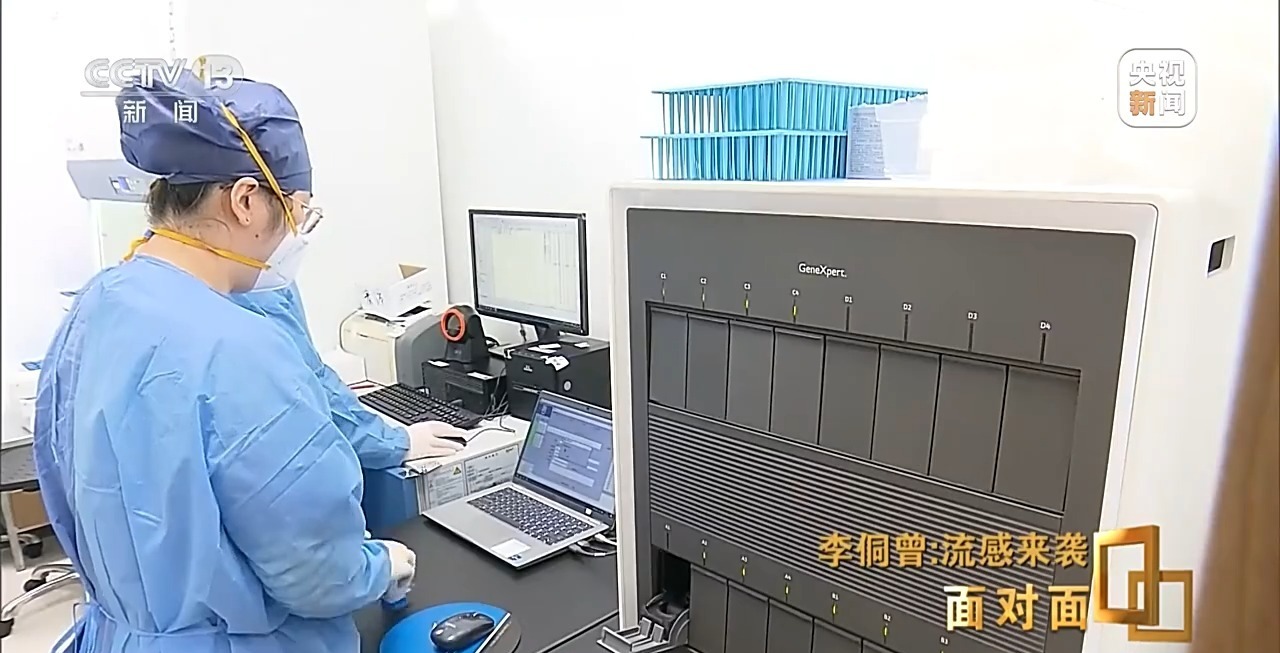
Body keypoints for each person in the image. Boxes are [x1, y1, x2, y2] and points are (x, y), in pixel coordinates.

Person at [33, 71, 413, 652]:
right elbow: (315, 574)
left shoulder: (98, 303)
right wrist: (381, 565)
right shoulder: (238, 349)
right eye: (299, 213)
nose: (295, 235)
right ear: (245, 201)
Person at [229, 282, 464, 468]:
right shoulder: (255, 290)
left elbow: (311, 375)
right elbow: (307, 380)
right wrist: (394, 443)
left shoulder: (253, 283)